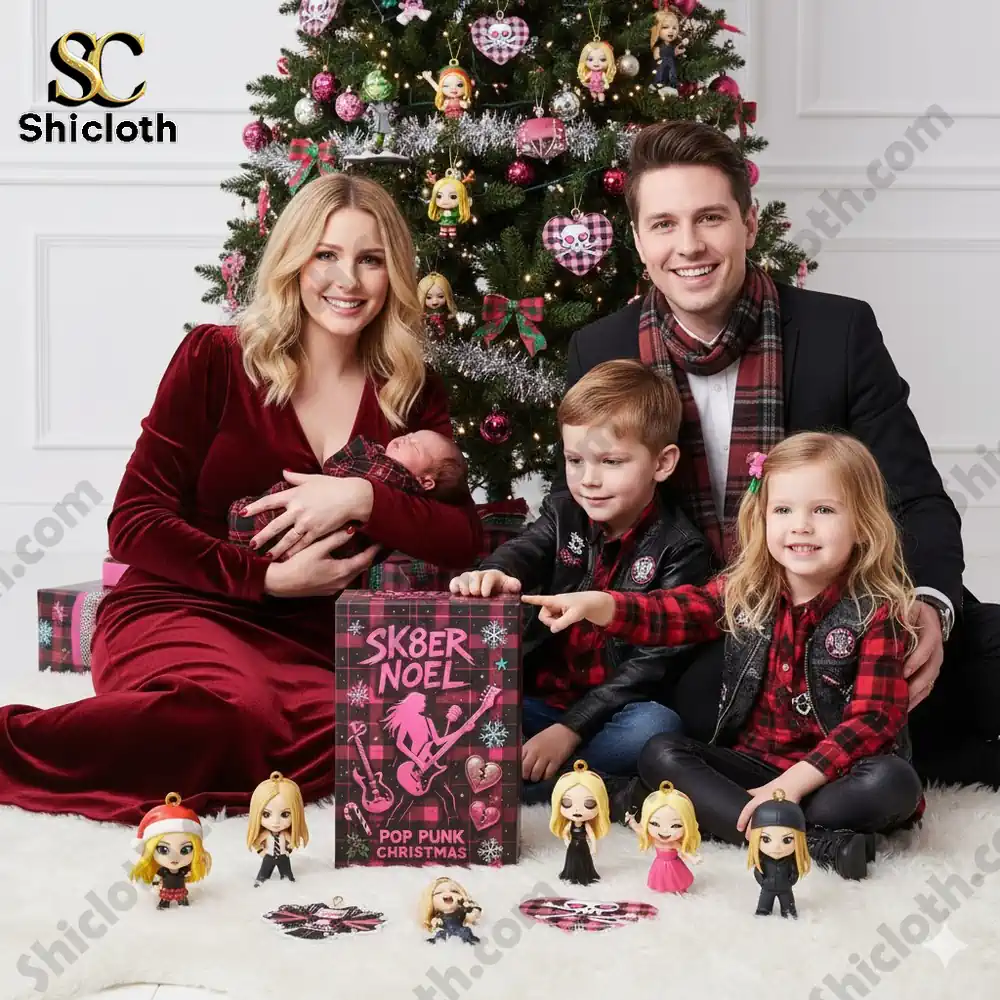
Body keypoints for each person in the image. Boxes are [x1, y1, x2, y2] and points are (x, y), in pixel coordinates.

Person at [0, 173, 482, 824]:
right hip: (178, 610)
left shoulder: (407, 392)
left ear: (393, 274)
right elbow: (134, 524)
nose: (348, 280)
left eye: (370, 260)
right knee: (225, 712)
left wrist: (361, 498)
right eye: (327, 255)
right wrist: (269, 578)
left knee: (372, 737)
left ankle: (203, 761)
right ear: (294, 261)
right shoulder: (217, 358)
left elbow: (462, 538)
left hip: (307, 642)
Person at [549, 119, 1000, 789]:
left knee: (986, 648)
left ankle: (868, 762)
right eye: (664, 224)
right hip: (704, 626)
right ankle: (852, 770)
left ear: (749, 224)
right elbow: (578, 509)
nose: (690, 245)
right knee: (706, 702)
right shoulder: (601, 349)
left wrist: (930, 607)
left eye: (710, 218)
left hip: (837, 601)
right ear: (639, 241)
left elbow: (916, 497)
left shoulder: (836, 331)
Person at [526, 432, 926, 882]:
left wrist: (792, 785)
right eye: (783, 510)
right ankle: (811, 841)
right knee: (661, 751)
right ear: (763, 518)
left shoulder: (878, 610)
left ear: (863, 524)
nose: (801, 526)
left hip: (831, 776)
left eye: (824, 510)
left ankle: (746, 818)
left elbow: (874, 719)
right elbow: (674, 612)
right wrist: (603, 605)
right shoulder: (746, 591)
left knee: (894, 784)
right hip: (751, 767)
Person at [450, 360, 713, 803]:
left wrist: (571, 728)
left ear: (662, 464)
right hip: (536, 699)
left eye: (611, 462)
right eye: (575, 460)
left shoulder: (680, 548)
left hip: (612, 711)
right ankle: (545, 775)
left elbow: (649, 666)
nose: (589, 480)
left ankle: (541, 787)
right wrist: (497, 570)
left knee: (655, 728)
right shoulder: (564, 513)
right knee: (466, 700)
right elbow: (526, 550)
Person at [227, 429, 468, 557]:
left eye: (416, 445)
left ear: (426, 483)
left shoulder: (389, 473)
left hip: (275, 530)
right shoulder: (394, 480)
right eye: (411, 435)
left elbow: (335, 467)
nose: (406, 439)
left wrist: (367, 454)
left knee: (257, 521)